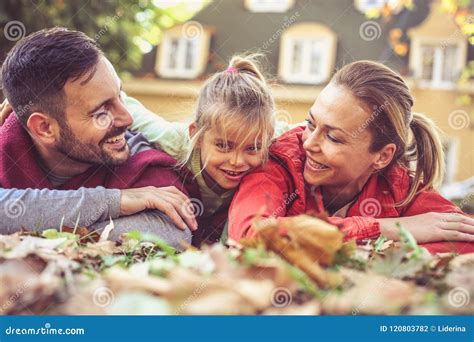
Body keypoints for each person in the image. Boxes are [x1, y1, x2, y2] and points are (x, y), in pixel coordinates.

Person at [228, 60, 474, 254]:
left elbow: (466, 242)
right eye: (310, 124)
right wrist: (384, 230)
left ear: (381, 157)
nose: (309, 143)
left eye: (333, 138)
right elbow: (252, 234)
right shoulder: (280, 162)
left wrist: (387, 254)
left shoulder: (399, 187)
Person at [0, 27, 195, 249]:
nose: (127, 118)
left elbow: (170, 232)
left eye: (120, 95)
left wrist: (23, 227)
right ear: (44, 128)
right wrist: (114, 202)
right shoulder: (7, 145)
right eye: (102, 111)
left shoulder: (142, 160)